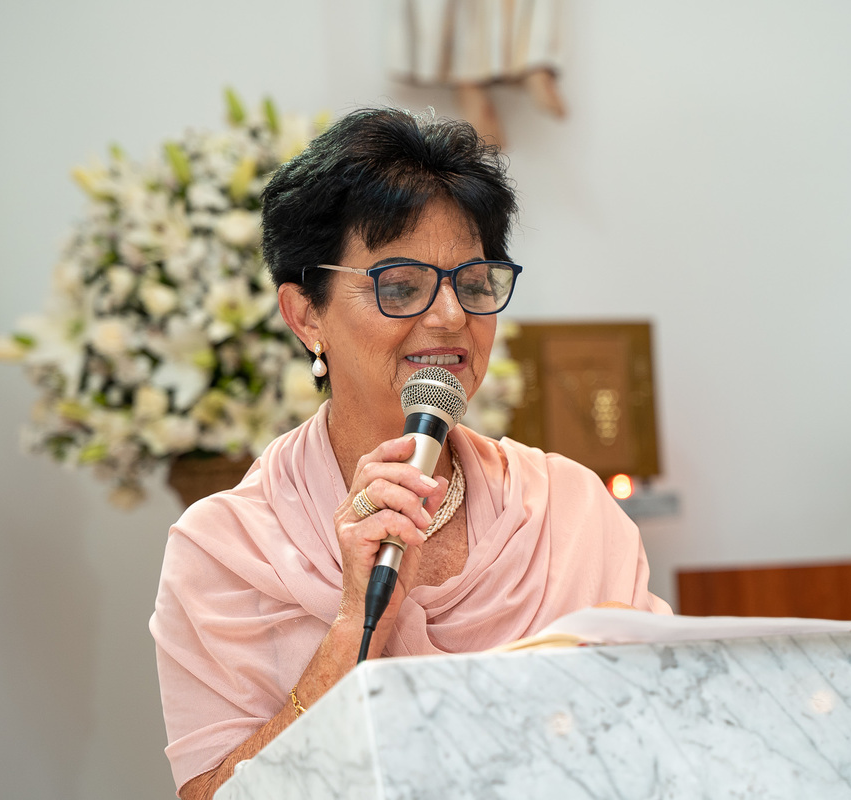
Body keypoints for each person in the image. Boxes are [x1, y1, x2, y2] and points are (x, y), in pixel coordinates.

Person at [149, 107, 670, 800]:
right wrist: (351, 628)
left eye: (475, 282)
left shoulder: (571, 511)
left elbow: (666, 741)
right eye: (401, 286)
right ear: (306, 315)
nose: (451, 317)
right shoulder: (224, 548)